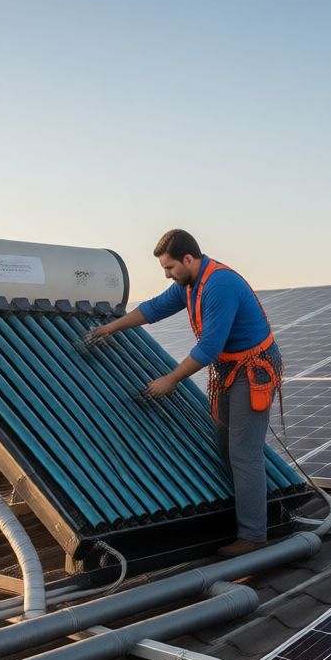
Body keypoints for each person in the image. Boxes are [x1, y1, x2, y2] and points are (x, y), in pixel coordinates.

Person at [87, 229, 282, 556]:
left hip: (253, 370)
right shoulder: (190, 284)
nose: (166, 275)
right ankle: (245, 516)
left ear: (188, 259)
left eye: (170, 267)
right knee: (225, 446)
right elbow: (153, 309)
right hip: (228, 370)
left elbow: (209, 347)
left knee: (243, 452)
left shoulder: (219, 285)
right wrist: (110, 327)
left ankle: (253, 536)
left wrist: (171, 379)